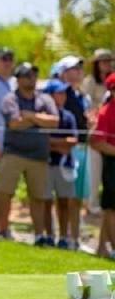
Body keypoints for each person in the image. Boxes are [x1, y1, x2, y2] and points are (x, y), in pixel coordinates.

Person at [0, 62, 59, 246]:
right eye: (28, 75)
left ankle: (39, 236)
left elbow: (54, 122)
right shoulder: (10, 99)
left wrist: (30, 116)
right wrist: (40, 119)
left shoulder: (45, 99)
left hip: (39, 156)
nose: (32, 78)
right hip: (14, 153)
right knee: (3, 193)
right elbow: (14, 124)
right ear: (19, 79)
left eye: (34, 75)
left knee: (38, 197)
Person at [57, 55, 90, 250]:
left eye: (79, 69)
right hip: (67, 151)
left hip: (83, 149)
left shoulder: (82, 96)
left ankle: (75, 239)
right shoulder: (62, 95)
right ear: (63, 73)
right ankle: (66, 236)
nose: (78, 72)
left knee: (77, 198)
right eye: (73, 69)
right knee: (67, 197)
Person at [42, 79, 77, 249]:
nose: (63, 96)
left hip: (64, 165)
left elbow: (73, 140)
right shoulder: (43, 116)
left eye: (64, 93)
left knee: (64, 202)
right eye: (59, 93)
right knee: (46, 202)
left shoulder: (68, 116)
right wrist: (60, 144)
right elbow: (43, 141)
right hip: (46, 164)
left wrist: (53, 143)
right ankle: (49, 235)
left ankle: (63, 237)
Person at [81, 49, 113, 217]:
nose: (107, 64)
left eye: (109, 60)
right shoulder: (89, 82)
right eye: (103, 61)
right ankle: (92, 205)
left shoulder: (112, 80)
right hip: (96, 129)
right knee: (94, 171)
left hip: (110, 130)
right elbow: (86, 106)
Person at [90, 72, 115, 260]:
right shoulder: (107, 112)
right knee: (111, 207)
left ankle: (101, 247)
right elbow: (97, 142)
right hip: (112, 163)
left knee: (110, 207)